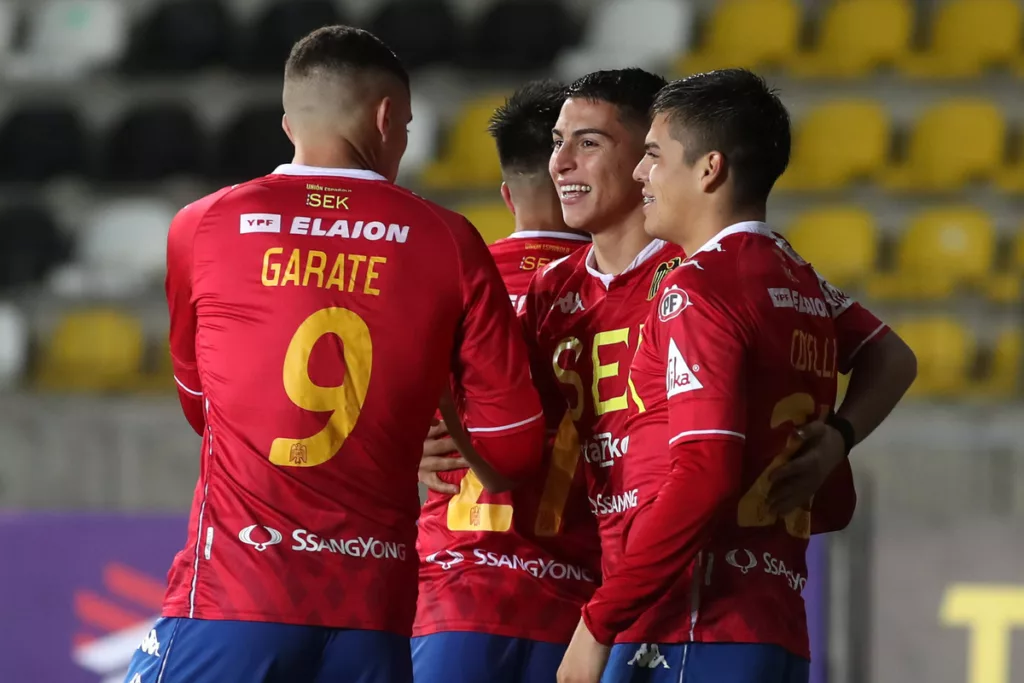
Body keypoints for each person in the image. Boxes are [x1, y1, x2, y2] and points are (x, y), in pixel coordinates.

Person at [125, 26, 545, 683]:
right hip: (372, 618)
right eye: (404, 127)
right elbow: (516, 451)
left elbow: (202, 407)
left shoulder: (201, 224)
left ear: (289, 122)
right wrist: (444, 406)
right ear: (385, 117)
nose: (401, 143)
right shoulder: (448, 240)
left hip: (236, 596)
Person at [557, 69, 917, 683]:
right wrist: (841, 435)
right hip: (775, 625)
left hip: (690, 623)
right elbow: (895, 357)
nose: (642, 174)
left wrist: (598, 623)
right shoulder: (797, 277)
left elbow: (705, 471)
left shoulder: (697, 287)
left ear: (709, 170)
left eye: (653, 155)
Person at [412, 80, 595, 683]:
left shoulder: (450, 282)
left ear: (506, 194)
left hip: (456, 592)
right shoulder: (630, 291)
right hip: (580, 611)